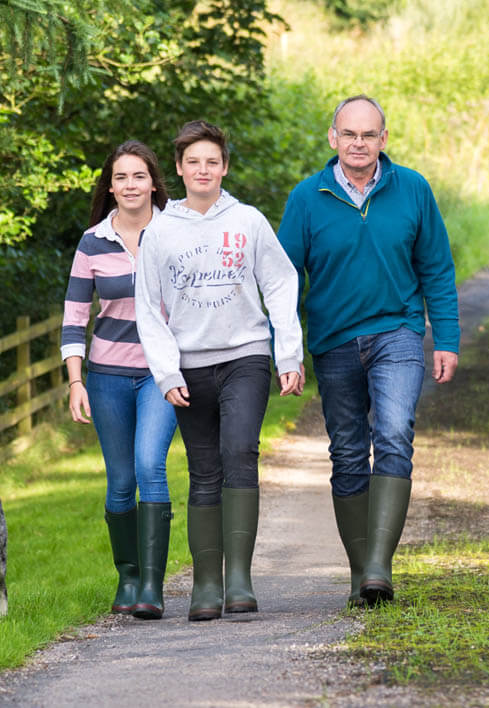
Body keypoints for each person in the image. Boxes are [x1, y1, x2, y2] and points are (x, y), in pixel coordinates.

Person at [277, 95, 459, 607]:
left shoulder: (413, 189)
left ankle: (380, 564)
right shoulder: (306, 197)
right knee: (348, 451)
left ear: (384, 138)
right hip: (333, 340)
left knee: (395, 433)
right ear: (333, 138)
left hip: (397, 331)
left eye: (368, 135)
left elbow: (437, 269)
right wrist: (286, 351)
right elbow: (283, 280)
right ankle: (363, 574)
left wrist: (446, 339)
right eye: (349, 134)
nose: (359, 144)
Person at [135, 120, 303, 621]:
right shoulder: (159, 231)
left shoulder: (248, 221)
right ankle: (206, 584)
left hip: (245, 356)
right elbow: (148, 308)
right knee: (204, 470)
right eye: (194, 162)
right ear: (179, 169)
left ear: (225, 167)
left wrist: (288, 354)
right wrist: (166, 373)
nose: (203, 170)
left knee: (240, 453)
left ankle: (239, 580)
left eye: (212, 161)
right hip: (189, 367)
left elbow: (280, 283)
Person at [61, 140, 178, 619]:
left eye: (139, 176)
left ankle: (152, 584)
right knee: (121, 481)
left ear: (153, 183)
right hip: (106, 375)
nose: (131, 185)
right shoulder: (92, 242)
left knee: (150, 465)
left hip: (161, 374)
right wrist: (76, 382)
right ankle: (128, 577)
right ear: (110, 187)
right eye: (121, 178)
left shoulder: (174, 232)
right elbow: (74, 319)